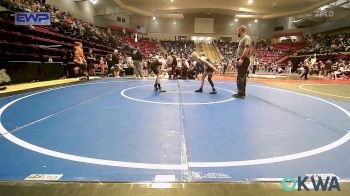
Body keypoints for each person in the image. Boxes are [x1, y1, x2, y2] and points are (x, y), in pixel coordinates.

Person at [234, 25, 251, 98]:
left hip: (243, 59)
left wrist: (241, 59)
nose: (237, 32)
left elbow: (247, 48)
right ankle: (242, 92)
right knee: (242, 76)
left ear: (240, 30)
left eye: (238, 30)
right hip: (242, 59)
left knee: (240, 76)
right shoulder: (242, 39)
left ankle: (240, 93)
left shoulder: (246, 37)